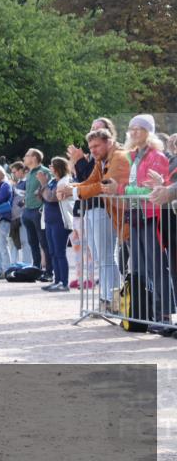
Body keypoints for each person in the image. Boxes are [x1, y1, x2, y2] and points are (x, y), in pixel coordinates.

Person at [121, 114, 173, 332]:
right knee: (140, 268)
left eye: (139, 128)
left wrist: (124, 190)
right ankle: (146, 314)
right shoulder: (134, 156)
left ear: (149, 132)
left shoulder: (156, 156)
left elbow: (153, 189)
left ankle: (164, 316)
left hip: (152, 216)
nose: (134, 132)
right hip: (136, 217)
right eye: (131, 128)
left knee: (157, 268)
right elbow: (134, 186)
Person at [74, 128, 129, 309]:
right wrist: (71, 188)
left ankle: (114, 302)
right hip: (115, 214)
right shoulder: (101, 160)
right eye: (90, 147)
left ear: (109, 141)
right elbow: (89, 182)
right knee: (103, 259)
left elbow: (104, 185)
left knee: (109, 259)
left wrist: (74, 192)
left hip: (126, 216)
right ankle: (109, 300)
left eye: (96, 146)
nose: (93, 150)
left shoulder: (118, 157)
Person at [37, 157, 74, 291]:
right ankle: (57, 281)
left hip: (60, 221)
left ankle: (64, 283)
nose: (50, 168)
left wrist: (43, 185)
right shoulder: (53, 181)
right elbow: (40, 196)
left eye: (51, 166)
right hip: (49, 221)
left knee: (59, 252)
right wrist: (44, 189)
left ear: (58, 168)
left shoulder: (65, 181)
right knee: (52, 252)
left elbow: (52, 197)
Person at [22, 149, 53, 281]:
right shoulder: (29, 173)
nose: (24, 158)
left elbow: (49, 189)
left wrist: (41, 207)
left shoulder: (45, 172)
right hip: (28, 211)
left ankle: (49, 272)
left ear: (34, 158)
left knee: (44, 243)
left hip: (38, 211)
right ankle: (36, 269)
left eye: (26, 155)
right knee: (32, 243)